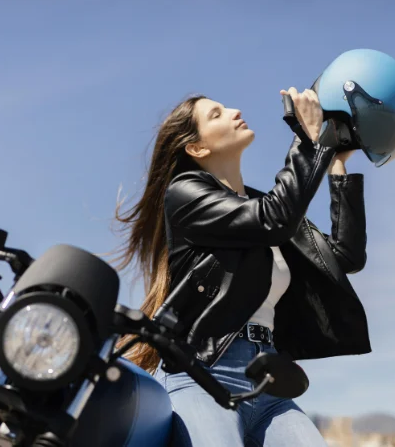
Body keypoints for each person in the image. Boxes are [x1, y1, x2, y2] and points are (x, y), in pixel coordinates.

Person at [112, 87, 371, 447]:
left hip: (270, 383)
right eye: (216, 114)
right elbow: (275, 219)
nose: (233, 110)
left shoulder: (263, 206)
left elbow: (344, 256)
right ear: (197, 148)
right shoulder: (185, 194)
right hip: (204, 375)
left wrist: (336, 164)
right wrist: (307, 139)